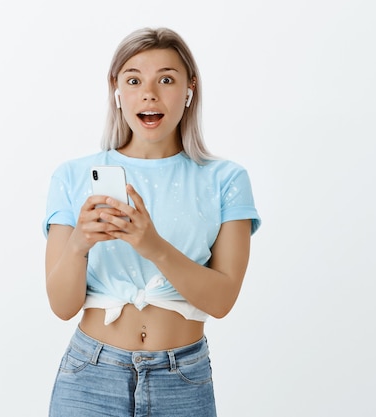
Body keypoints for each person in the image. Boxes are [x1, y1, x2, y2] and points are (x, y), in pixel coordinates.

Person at [42, 27, 261, 417]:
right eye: (133, 79)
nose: (149, 93)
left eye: (166, 79)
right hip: (89, 378)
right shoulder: (73, 176)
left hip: (182, 380)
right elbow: (62, 306)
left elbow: (223, 300)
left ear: (190, 87)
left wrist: (152, 246)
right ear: (116, 88)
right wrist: (78, 244)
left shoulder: (225, 179)